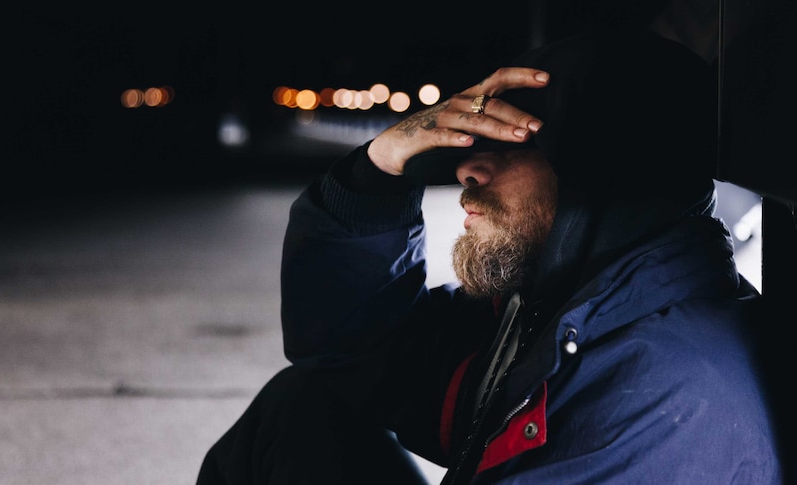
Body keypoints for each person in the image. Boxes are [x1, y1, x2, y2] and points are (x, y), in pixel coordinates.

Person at [197, 29, 783, 484]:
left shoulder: (666, 395)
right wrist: (377, 168)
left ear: (602, 173)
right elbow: (347, 349)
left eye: (517, 143)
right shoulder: (560, 314)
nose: (466, 169)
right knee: (300, 413)